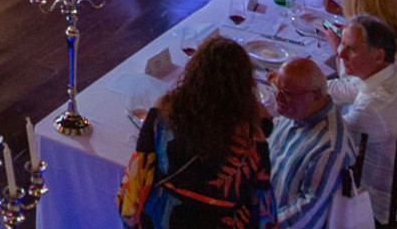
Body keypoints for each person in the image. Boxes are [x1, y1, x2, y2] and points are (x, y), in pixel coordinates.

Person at [117, 36, 277, 228]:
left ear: (194, 72)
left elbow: (138, 175)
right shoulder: (252, 139)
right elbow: (263, 207)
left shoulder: (164, 111)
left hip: (165, 217)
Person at [326, 16, 397, 225]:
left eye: (351, 49)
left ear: (379, 56)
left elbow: (330, 138)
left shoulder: (371, 107)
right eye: (341, 44)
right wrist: (312, 87)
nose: (340, 54)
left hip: (375, 206)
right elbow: (346, 88)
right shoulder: (394, 72)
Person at [267, 58, 355, 229]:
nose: (277, 97)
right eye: (277, 87)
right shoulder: (295, 111)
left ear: (315, 95)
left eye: (286, 93)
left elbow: (306, 213)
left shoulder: (329, 147)